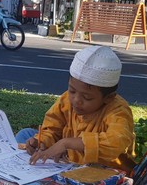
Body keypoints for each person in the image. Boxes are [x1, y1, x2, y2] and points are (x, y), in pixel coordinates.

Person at [21, 45, 136, 173]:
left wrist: (67, 143)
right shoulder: (66, 99)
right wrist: (41, 142)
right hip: (66, 163)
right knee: (25, 134)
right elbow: (52, 129)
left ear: (108, 98)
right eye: (72, 90)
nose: (76, 100)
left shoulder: (118, 111)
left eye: (87, 97)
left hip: (102, 173)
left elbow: (116, 142)